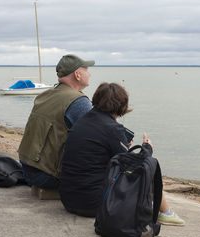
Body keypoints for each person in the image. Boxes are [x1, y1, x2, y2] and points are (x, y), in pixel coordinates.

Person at [59, 82, 185, 226]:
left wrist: (124, 147)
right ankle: (166, 213)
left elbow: (97, 155)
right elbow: (133, 167)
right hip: (93, 204)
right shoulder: (113, 129)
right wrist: (147, 148)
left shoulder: (82, 121)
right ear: (122, 106)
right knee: (148, 167)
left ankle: (165, 212)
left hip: (68, 199)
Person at [18, 54, 94, 194]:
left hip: (27, 168)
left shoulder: (45, 95)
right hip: (48, 177)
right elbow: (97, 138)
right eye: (86, 70)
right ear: (77, 74)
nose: (89, 74)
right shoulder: (78, 101)